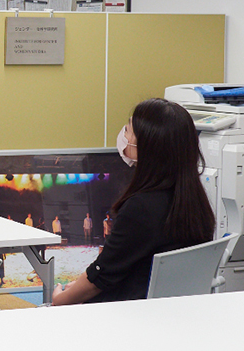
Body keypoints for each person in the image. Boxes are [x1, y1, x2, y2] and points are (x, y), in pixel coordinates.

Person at [52, 98, 215, 305]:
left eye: (128, 130)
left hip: (128, 315)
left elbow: (101, 277)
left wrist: (59, 301)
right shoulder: (196, 202)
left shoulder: (141, 208)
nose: (124, 135)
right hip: (171, 313)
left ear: (147, 146)